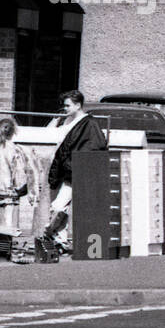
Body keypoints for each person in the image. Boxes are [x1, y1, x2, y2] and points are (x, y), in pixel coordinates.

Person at [43, 90, 108, 251]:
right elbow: (50, 134)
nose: (64, 108)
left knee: (58, 206)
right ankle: (61, 240)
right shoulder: (66, 121)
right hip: (61, 169)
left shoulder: (89, 124)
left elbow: (94, 147)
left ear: (78, 105)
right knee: (59, 206)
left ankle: (53, 233)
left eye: (67, 105)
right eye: (63, 105)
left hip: (74, 172)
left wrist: (72, 165)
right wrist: (57, 118)